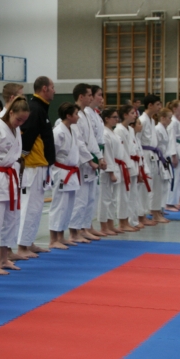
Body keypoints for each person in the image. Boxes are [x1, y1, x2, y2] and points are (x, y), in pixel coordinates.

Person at [0, 96, 30, 273]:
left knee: (11, 220)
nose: (20, 123)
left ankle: (4, 258)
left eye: (23, 121)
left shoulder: (15, 129)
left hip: (11, 176)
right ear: (10, 112)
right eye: (18, 119)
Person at [17, 76, 55, 258]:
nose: (54, 91)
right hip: (31, 165)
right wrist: (23, 158)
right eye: (52, 87)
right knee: (28, 207)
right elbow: (26, 136)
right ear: (45, 88)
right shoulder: (34, 108)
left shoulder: (41, 108)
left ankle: (29, 242)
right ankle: (21, 246)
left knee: (36, 208)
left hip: (40, 164)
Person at [67, 83, 101, 243]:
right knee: (80, 198)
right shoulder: (75, 115)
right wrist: (89, 160)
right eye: (89, 95)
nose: (91, 97)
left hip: (90, 159)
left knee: (90, 198)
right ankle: (74, 232)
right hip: (81, 162)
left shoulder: (86, 114)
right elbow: (79, 142)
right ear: (81, 97)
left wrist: (99, 157)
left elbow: (92, 140)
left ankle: (84, 227)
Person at [48, 102, 81, 250]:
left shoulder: (71, 130)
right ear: (68, 115)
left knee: (68, 206)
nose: (78, 116)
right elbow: (52, 152)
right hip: (61, 171)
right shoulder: (58, 131)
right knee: (59, 205)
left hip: (70, 171)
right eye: (76, 114)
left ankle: (61, 236)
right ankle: (53, 239)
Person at [138, 94, 168, 224]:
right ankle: (141, 215)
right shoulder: (142, 120)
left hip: (153, 154)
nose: (160, 107)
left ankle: (156, 212)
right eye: (158, 104)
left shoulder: (151, 120)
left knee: (156, 185)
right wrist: (139, 161)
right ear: (150, 105)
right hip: (144, 154)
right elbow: (137, 141)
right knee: (145, 187)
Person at [98, 107, 123, 236]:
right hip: (107, 170)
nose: (117, 119)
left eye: (117, 117)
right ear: (106, 118)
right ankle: (104, 226)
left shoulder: (113, 133)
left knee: (113, 200)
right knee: (105, 199)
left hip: (116, 166)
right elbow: (106, 154)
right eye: (114, 117)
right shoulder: (104, 133)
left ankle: (111, 224)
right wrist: (111, 172)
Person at [115, 105, 140, 232]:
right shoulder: (119, 130)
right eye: (132, 113)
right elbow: (121, 151)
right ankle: (122, 222)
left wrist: (138, 166)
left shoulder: (130, 129)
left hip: (132, 163)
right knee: (123, 196)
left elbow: (134, 148)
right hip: (124, 165)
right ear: (125, 115)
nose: (135, 115)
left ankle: (131, 220)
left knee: (132, 195)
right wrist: (127, 166)